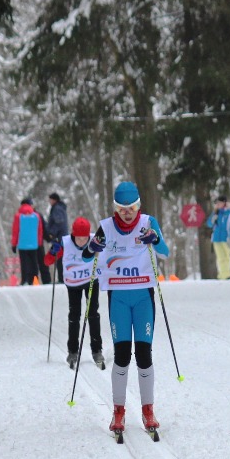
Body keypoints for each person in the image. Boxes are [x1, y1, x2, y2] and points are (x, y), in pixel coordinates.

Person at [81, 180, 171, 436]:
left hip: (143, 297)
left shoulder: (148, 223)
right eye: (122, 208)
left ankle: (148, 410)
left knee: (144, 354)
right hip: (119, 298)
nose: (127, 212)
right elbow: (88, 256)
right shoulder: (106, 227)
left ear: (138, 205)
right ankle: (118, 412)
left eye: (131, 207)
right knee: (122, 355)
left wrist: (155, 239)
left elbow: (164, 252)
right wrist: (91, 247)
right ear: (115, 208)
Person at [46, 216, 105, 370]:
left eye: (84, 238)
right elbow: (47, 261)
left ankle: (97, 350)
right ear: (73, 235)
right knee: (74, 315)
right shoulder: (64, 243)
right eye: (78, 238)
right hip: (73, 284)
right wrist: (53, 252)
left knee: (92, 314)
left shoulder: (95, 240)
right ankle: (72, 351)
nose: (81, 241)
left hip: (92, 281)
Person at [13, 197, 43, 286]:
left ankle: (24, 281)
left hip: (22, 244)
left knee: (24, 263)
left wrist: (14, 244)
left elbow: (15, 230)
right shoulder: (36, 216)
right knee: (34, 262)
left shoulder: (18, 216)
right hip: (34, 243)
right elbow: (39, 230)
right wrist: (39, 242)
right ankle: (34, 280)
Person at [209, 195, 230, 280]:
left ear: (224, 203)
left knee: (226, 256)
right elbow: (209, 224)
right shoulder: (215, 213)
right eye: (217, 203)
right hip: (216, 238)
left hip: (226, 238)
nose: (218, 205)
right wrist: (213, 218)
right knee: (220, 257)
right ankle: (222, 274)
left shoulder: (229, 213)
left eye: (219, 203)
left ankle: (227, 274)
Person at [46, 192, 69, 284]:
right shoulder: (59, 208)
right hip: (61, 237)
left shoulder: (57, 208)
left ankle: (61, 278)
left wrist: (52, 233)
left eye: (50, 199)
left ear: (54, 200)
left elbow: (59, 222)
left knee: (59, 258)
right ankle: (61, 277)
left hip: (59, 238)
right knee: (60, 258)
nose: (49, 201)